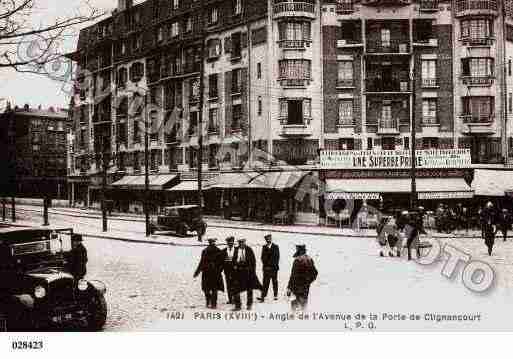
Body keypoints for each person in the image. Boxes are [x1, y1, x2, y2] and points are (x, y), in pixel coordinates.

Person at [193, 238, 224, 309]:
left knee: (213, 289)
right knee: (207, 289)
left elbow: (222, 263)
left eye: (213, 243)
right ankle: (209, 301)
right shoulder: (205, 251)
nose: (212, 244)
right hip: (207, 272)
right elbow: (202, 262)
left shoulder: (218, 251)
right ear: (209, 243)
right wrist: (197, 272)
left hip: (213, 273)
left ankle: (213, 304)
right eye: (211, 243)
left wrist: (219, 270)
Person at [232, 238, 262, 311]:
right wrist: (234, 266)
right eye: (240, 242)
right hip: (238, 272)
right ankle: (238, 306)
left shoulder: (249, 250)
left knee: (249, 289)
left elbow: (253, 262)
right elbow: (233, 260)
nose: (241, 244)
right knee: (236, 289)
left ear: (245, 242)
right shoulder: (235, 250)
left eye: (242, 242)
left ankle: (249, 305)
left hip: (248, 272)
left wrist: (252, 271)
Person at [287, 244, 318, 311]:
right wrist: (308, 281)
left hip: (299, 288)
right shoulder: (306, 260)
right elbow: (315, 273)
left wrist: (289, 287)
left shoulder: (302, 261)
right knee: (300, 305)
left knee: (298, 306)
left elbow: (293, 276)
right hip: (301, 287)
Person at [258, 234, 280, 302]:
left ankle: (275, 295)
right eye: (267, 239)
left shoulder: (276, 247)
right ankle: (263, 296)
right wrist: (266, 266)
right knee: (265, 282)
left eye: (269, 239)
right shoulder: (264, 247)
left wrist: (271, 266)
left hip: (274, 268)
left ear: (271, 239)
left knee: (274, 281)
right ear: (266, 240)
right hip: (266, 268)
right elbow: (262, 258)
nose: (268, 240)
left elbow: (277, 257)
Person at [220, 236, 236, 304]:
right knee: (229, 285)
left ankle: (235, 299)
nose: (230, 243)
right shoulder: (223, 251)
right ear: (227, 243)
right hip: (227, 271)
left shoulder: (237, 250)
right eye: (229, 242)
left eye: (232, 242)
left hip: (236, 271)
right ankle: (230, 299)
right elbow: (221, 261)